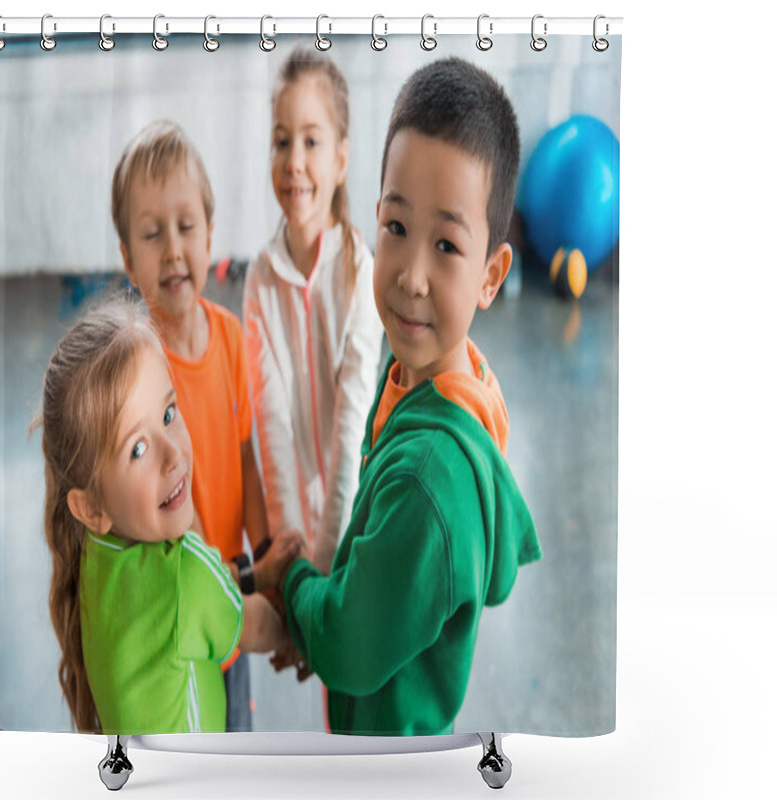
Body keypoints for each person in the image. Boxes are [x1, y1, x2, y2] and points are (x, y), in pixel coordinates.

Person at [279, 58, 542, 736]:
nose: (411, 278)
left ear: (491, 275)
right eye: (396, 229)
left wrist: (293, 588)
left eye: (448, 245)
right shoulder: (434, 372)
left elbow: (347, 649)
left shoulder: (431, 479)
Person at [36, 298, 297, 734]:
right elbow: (259, 627)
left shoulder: (95, 549)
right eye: (137, 448)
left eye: (169, 414)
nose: (173, 453)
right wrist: (299, 637)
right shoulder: (184, 575)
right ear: (91, 507)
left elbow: (195, 597)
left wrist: (258, 573)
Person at [111, 120, 270, 731]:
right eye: (152, 235)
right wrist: (249, 583)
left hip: (232, 585)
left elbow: (246, 455)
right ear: (127, 256)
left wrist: (269, 557)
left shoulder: (230, 336)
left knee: (240, 733)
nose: (174, 250)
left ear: (211, 233)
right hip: (187, 604)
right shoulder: (138, 370)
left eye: (186, 228)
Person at [243, 46, 384, 577]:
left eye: (311, 141)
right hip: (297, 529)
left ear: (341, 159)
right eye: (282, 141)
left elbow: (353, 432)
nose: (294, 161)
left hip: (360, 521)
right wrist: (291, 560)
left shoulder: (359, 271)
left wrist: (325, 561)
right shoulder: (259, 279)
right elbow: (271, 423)